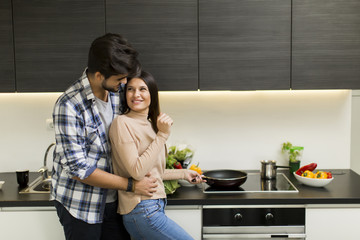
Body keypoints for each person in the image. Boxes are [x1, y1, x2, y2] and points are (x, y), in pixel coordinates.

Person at [51, 33, 158, 240]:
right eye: (120, 78)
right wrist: (132, 185)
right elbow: (78, 169)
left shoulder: (117, 94)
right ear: (99, 75)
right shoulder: (69, 105)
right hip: (81, 205)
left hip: (115, 202)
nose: (125, 82)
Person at [109, 71, 203, 240]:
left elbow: (151, 171)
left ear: (152, 94)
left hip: (152, 207)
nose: (136, 94)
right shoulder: (122, 123)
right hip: (142, 209)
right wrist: (162, 135)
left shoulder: (150, 124)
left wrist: (183, 173)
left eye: (142, 89)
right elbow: (137, 172)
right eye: (130, 89)